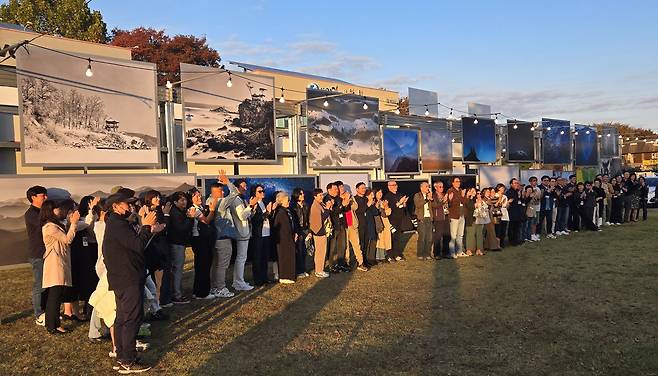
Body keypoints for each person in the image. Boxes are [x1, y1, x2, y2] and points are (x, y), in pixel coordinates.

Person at [103, 191, 162, 373]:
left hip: (123, 276)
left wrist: (148, 230)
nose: (130, 207)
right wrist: (146, 227)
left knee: (122, 318)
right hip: (127, 277)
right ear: (115, 207)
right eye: (126, 204)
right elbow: (137, 246)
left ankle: (123, 355)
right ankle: (127, 359)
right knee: (131, 318)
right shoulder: (118, 225)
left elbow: (134, 245)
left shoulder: (117, 223)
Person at [41, 199, 80, 334]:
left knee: (56, 295)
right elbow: (67, 239)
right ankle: (53, 325)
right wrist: (74, 223)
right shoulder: (50, 227)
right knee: (55, 295)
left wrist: (71, 222)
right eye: (56, 209)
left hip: (58, 262)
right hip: (55, 264)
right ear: (50, 211)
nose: (59, 211)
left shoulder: (55, 225)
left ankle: (53, 324)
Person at [208, 171, 237, 298]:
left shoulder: (209, 200)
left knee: (216, 264)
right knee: (222, 265)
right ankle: (220, 287)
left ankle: (214, 287)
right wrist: (228, 182)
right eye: (221, 191)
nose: (223, 192)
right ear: (215, 192)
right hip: (223, 238)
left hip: (215, 238)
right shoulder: (221, 202)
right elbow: (235, 193)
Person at [227, 179, 258, 291]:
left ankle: (239, 281)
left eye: (246, 186)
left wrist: (251, 209)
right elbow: (242, 216)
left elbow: (248, 215)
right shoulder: (235, 200)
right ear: (237, 188)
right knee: (241, 258)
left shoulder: (241, 199)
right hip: (241, 232)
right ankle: (238, 282)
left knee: (242, 258)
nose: (245, 188)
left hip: (245, 232)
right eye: (243, 186)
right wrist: (250, 205)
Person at [24, 185, 48, 326]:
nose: (45, 197)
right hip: (38, 254)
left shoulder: (41, 211)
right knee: (40, 285)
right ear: (33, 197)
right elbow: (45, 225)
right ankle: (39, 314)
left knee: (47, 284)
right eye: (42, 195)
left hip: (46, 253)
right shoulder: (32, 213)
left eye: (46, 194)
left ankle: (47, 312)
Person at [188, 188, 217, 299]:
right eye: (196, 196)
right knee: (203, 266)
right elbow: (206, 220)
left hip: (203, 239)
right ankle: (202, 293)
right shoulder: (193, 209)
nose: (199, 198)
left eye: (200, 196)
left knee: (203, 265)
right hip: (199, 240)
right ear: (191, 199)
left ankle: (198, 290)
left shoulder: (199, 208)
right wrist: (212, 210)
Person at [166, 191, 194, 304]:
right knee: (177, 269)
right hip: (177, 243)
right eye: (181, 200)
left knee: (177, 269)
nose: (184, 202)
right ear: (175, 202)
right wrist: (190, 218)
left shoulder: (179, 212)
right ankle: (177, 294)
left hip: (178, 243)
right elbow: (181, 228)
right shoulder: (176, 213)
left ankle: (177, 291)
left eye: (185, 199)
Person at [339, 184, 368, 271]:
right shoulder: (337, 198)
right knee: (346, 246)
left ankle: (360, 263)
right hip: (344, 225)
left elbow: (355, 207)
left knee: (356, 244)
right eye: (340, 187)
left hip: (352, 224)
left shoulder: (350, 196)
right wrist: (345, 200)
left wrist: (350, 199)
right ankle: (347, 263)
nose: (342, 189)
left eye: (343, 187)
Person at [249, 184, 274, 286]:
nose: (262, 192)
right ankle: (258, 280)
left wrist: (270, 212)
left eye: (263, 191)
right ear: (254, 193)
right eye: (259, 191)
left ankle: (265, 278)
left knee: (265, 257)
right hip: (258, 235)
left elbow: (268, 218)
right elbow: (255, 220)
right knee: (257, 258)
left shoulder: (264, 203)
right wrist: (267, 212)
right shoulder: (253, 204)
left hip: (266, 234)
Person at [271, 192, 297, 284]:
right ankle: (285, 276)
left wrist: (294, 233)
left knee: (288, 256)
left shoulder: (285, 211)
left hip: (288, 238)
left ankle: (289, 275)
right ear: (281, 201)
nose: (289, 202)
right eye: (287, 200)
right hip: (283, 239)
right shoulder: (280, 212)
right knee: (284, 257)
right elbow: (282, 228)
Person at [383, 180, 410, 262]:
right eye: (394, 185)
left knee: (398, 237)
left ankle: (397, 254)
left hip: (399, 218)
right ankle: (390, 255)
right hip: (392, 219)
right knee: (391, 237)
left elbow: (402, 207)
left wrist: (404, 203)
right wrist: (399, 203)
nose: (396, 186)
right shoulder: (387, 196)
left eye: (396, 185)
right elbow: (389, 209)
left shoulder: (399, 194)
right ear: (389, 187)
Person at [325, 182, 349, 272]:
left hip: (341, 225)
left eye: (337, 189)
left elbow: (344, 210)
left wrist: (345, 204)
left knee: (342, 246)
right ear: (329, 190)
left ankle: (341, 264)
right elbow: (331, 213)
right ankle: (331, 265)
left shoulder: (338, 198)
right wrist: (341, 206)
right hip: (333, 227)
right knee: (332, 248)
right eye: (335, 189)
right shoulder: (326, 199)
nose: (337, 190)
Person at [309, 188, 330, 278]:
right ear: (315, 196)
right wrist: (328, 209)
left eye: (322, 195)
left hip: (321, 231)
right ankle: (319, 270)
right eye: (320, 195)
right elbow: (321, 218)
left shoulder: (319, 204)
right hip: (319, 232)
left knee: (322, 251)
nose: (322, 197)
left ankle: (320, 269)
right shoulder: (315, 206)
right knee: (320, 252)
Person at [291, 188, 310, 278]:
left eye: (303, 193)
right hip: (299, 230)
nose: (303, 195)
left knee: (304, 250)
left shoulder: (306, 205)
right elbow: (295, 221)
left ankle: (303, 269)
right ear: (296, 195)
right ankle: (299, 270)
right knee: (299, 250)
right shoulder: (293, 207)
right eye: (301, 194)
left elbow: (309, 219)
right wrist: (297, 232)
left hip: (306, 229)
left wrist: (309, 231)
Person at [447, 177, 468, 258]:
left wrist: (463, 196)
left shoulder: (461, 191)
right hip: (454, 216)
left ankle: (459, 251)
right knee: (453, 236)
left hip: (462, 215)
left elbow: (465, 202)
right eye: (456, 181)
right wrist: (451, 199)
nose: (458, 183)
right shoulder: (450, 191)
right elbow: (450, 204)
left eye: (459, 181)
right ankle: (452, 253)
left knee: (460, 235)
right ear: (452, 183)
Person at [413, 182, 434, 260]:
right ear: (421, 188)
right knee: (422, 237)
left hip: (429, 218)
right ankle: (420, 254)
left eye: (428, 187)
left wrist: (432, 199)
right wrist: (426, 199)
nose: (428, 188)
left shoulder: (430, 195)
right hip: (421, 218)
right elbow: (418, 205)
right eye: (426, 187)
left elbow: (434, 205)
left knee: (429, 237)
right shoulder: (417, 195)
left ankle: (427, 254)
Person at [431, 181, 450, 259]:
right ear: (435, 187)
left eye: (442, 186)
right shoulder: (433, 195)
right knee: (438, 237)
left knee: (447, 235)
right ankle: (437, 254)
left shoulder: (444, 194)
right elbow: (435, 206)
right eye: (440, 187)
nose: (442, 188)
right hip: (438, 218)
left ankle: (446, 253)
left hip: (446, 217)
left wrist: (449, 200)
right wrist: (443, 201)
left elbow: (448, 205)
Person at [362, 189, 380, 265]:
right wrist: (368, 205)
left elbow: (375, 213)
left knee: (373, 240)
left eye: (373, 195)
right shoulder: (364, 202)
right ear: (367, 195)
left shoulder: (372, 203)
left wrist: (376, 206)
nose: (373, 196)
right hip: (366, 225)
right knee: (367, 243)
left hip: (372, 224)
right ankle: (365, 259)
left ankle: (371, 258)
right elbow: (362, 212)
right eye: (371, 195)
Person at [353, 182, 369, 265]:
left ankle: (365, 259)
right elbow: (358, 210)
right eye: (362, 188)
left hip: (367, 223)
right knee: (360, 243)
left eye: (364, 188)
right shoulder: (354, 199)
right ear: (357, 189)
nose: (364, 189)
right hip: (359, 224)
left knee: (366, 242)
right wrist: (368, 205)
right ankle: (360, 261)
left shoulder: (366, 199)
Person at [375, 190, 393, 262]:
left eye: (381, 192)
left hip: (385, 222)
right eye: (378, 192)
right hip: (378, 222)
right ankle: (379, 257)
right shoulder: (374, 202)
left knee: (386, 240)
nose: (380, 194)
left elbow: (388, 213)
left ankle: (385, 256)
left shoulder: (383, 202)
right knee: (379, 240)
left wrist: (386, 206)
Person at [506, 179, 524, 246]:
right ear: (511, 184)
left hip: (518, 212)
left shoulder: (517, 191)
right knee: (511, 227)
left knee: (517, 227)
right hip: (512, 213)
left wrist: (520, 195)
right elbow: (510, 202)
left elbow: (521, 201)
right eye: (515, 183)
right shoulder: (509, 192)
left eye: (517, 183)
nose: (517, 184)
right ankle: (511, 241)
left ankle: (516, 240)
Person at [463, 188, 478, 256]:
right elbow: (469, 206)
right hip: (469, 219)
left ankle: (472, 248)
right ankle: (468, 250)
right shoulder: (467, 199)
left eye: (474, 191)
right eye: (472, 191)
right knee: (469, 234)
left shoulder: (474, 199)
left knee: (473, 234)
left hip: (475, 219)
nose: (473, 192)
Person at [527, 177, 542, 241]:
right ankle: (529, 235)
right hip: (531, 208)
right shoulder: (528, 188)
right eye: (533, 181)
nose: (535, 182)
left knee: (535, 222)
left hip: (537, 207)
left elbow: (538, 199)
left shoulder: (538, 188)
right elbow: (528, 198)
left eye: (536, 181)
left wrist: (537, 195)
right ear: (530, 182)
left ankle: (534, 234)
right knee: (530, 222)